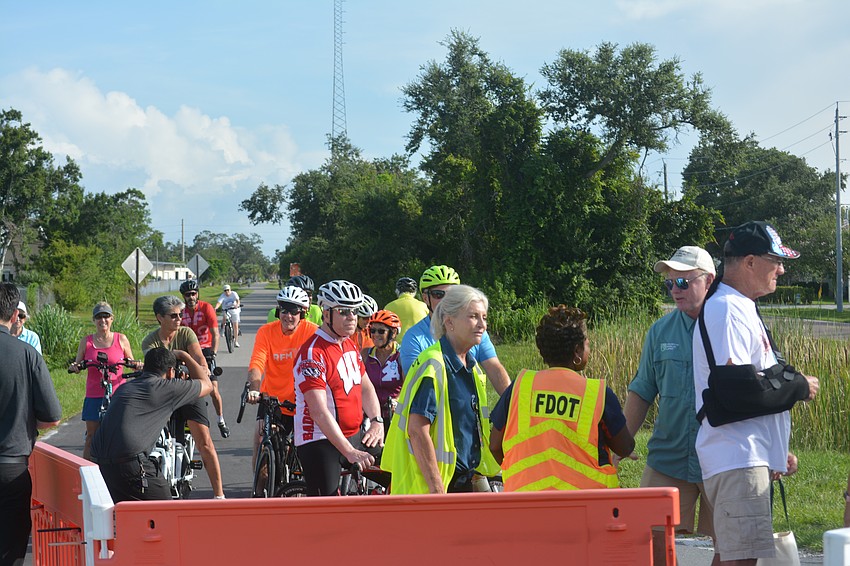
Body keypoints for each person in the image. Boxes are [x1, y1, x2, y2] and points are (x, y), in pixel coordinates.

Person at [693, 221, 819, 565]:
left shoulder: (738, 305)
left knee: (734, 556)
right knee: (741, 559)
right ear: (750, 262)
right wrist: (797, 386)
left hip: (746, 455)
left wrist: (774, 450)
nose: (782, 268)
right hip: (738, 457)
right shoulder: (727, 309)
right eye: (775, 259)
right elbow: (739, 392)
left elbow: (755, 382)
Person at [624, 246, 717, 565]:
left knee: (733, 544)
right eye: (670, 284)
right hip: (669, 455)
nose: (675, 290)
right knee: (647, 539)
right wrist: (619, 443)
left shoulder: (729, 325)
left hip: (721, 456)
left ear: (709, 281)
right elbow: (642, 391)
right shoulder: (660, 331)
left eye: (683, 283)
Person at [489, 305, 634, 491]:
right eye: (587, 343)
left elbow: (494, 445)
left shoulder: (521, 386)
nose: (589, 347)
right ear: (577, 351)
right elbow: (624, 447)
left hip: (526, 501)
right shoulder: (597, 392)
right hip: (587, 504)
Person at [383, 285, 501, 494]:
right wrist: (437, 490)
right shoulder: (434, 364)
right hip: (431, 489)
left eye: (484, 317)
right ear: (449, 321)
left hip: (459, 482)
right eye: (473, 316)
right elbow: (417, 431)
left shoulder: (470, 366)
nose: (482, 325)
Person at [293, 280, 384, 496]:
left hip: (352, 434)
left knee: (396, 470)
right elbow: (318, 411)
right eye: (343, 311)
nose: (351, 317)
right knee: (329, 507)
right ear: (326, 314)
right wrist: (350, 451)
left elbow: (366, 387)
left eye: (354, 311)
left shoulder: (349, 343)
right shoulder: (312, 354)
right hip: (319, 439)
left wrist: (376, 421)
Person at [91, 347, 212, 502]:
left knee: (121, 516)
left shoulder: (124, 388)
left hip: (99, 461)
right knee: (165, 514)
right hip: (130, 463)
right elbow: (207, 385)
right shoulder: (167, 387)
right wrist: (185, 356)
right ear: (170, 372)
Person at [0, 284, 61, 565]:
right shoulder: (26, 354)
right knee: (11, 549)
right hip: (11, 468)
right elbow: (52, 417)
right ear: (15, 315)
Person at [141, 295, 225, 499]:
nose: (179, 319)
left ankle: (219, 496)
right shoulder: (149, 341)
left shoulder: (187, 333)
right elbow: (158, 370)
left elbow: (199, 360)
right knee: (145, 440)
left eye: (180, 315)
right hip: (163, 392)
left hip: (187, 390)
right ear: (159, 318)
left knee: (205, 442)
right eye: (173, 316)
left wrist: (193, 363)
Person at [399, 265, 511, 394]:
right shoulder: (414, 337)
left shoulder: (475, 331)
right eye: (438, 295)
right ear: (425, 298)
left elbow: (495, 369)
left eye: (452, 295)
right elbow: (415, 387)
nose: (446, 300)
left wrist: (511, 403)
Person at [245, 286, 318, 463]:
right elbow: (257, 363)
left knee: (305, 455)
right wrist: (254, 389)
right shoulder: (266, 332)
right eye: (284, 310)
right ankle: (260, 490)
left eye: (294, 311)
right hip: (272, 401)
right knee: (261, 443)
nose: (288, 316)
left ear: (303, 313)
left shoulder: (314, 332)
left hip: (303, 403)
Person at [68, 301, 138, 461]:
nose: (103, 321)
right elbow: (77, 364)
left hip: (118, 393)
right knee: (92, 435)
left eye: (106, 316)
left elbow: (132, 363)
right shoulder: (86, 342)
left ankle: (121, 471)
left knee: (120, 434)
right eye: (99, 317)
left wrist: (137, 365)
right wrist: (75, 367)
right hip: (94, 394)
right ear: (94, 320)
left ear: (112, 319)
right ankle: (86, 474)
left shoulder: (121, 339)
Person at [180, 280, 228, 438]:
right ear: (184, 296)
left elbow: (215, 333)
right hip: (188, 350)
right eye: (188, 295)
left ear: (197, 294)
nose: (191, 297)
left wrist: (213, 353)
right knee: (184, 384)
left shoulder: (206, 308)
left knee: (213, 389)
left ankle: (221, 420)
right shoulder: (181, 311)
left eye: (193, 294)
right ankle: (187, 419)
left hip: (206, 349)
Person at [361, 310, 404, 431]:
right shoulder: (365, 354)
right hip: (371, 414)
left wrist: (398, 400)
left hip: (394, 413)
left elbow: (408, 384)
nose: (375, 334)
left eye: (381, 331)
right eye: (372, 330)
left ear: (393, 333)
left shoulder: (401, 355)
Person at [383, 277, 428, 341]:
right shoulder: (424, 306)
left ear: (397, 291)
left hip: (398, 346)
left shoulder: (389, 306)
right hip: (421, 345)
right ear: (415, 292)